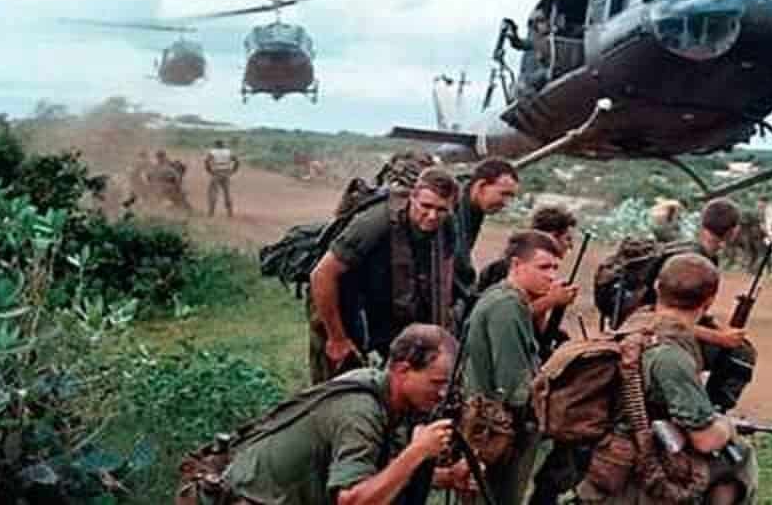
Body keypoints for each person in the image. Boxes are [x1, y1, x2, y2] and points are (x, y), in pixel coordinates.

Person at [206, 325, 473, 505]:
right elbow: (352, 501)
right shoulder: (360, 411)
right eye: (436, 382)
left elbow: (380, 472)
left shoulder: (390, 397)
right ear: (403, 370)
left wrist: (446, 476)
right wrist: (416, 452)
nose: (442, 393)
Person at [576, 254, 755, 505]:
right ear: (710, 300)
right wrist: (726, 426)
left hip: (605, 457)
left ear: (657, 287)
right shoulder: (671, 357)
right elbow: (705, 440)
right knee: (740, 459)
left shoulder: (635, 323)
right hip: (637, 473)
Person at [308, 168, 461, 384]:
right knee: (341, 383)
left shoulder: (447, 226)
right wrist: (337, 338)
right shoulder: (375, 223)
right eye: (426, 206)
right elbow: (322, 275)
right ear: (413, 197)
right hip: (340, 302)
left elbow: (443, 280)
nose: (432, 216)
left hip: (389, 301)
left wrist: (440, 330)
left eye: (442, 209)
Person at [463, 231, 566, 505]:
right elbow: (514, 385)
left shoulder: (508, 299)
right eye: (544, 267)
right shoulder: (506, 306)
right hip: (496, 426)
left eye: (555, 268)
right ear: (517, 265)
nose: (552, 276)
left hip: (493, 421)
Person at [632, 198, 755, 412]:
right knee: (741, 354)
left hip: (651, 326)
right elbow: (664, 319)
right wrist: (718, 338)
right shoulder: (690, 260)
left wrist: (718, 330)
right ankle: (709, 411)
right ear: (733, 231)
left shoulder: (692, 253)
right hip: (650, 333)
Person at [452, 158, 520, 312]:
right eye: (504, 194)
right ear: (480, 186)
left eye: (510, 197)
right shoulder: (455, 205)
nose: (506, 203)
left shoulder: (475, 208)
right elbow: (458, 261)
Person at [507, 9, 553, 96]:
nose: (545, 24)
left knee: (545, 72)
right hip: (530, 77)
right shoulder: (533, 40)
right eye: (540, 22)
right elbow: (518, 43)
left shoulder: (551, 39)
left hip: (542, 74)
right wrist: (512, 33)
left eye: (544, 21)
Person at [204, 139, 240, 217]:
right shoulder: (228, 152)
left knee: (213, 192)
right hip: (226, 172)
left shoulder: (212, 152)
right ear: (223, 144)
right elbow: (237, 161)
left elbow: (206, 161)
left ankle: (211, 212)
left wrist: (210, 171)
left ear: (216, 145)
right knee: (227, 193)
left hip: (216, 172)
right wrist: (233, 171)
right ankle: (230, 212)